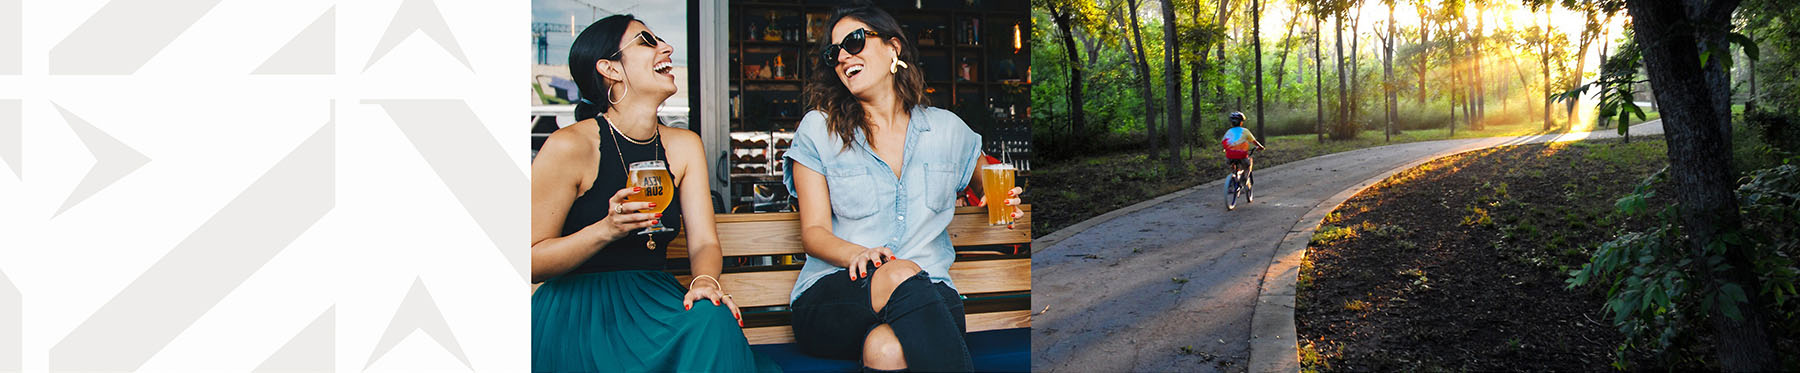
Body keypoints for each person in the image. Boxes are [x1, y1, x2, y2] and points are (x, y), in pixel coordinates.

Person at [529, 14, 778, 372]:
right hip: (580, 310)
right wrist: (606, 230)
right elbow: (531, 260)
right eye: (647, 41)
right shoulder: (570, 146)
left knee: (713, 317)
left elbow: (704, 243)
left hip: (653, 300)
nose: (667, 48)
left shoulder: (684, 145)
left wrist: (705, 282)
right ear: (610, 70)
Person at [783, 2, 1023, 371]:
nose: (844, 56)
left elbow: (987, 184)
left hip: (930, 295)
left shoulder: (947, 130)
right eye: (835, 53)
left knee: (887, 351)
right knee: (896, 271)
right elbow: (813, 233)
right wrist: (856, 256)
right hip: (838, 293)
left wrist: (1001, 198)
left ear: (894, 48)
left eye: (855, 41)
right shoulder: (819, 129)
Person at [1221, 111, 1265, 195]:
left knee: (1232, 165)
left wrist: (1226, 149)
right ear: (1241, 122)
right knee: (1248, 165)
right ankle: (1244, 180)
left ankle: (1232, 180)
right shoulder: (1245, 131)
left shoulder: (1228, 132)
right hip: (1242, 155)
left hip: (1229, 156)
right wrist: (1261, 147)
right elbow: (1254, 141)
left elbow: (1224, 142)